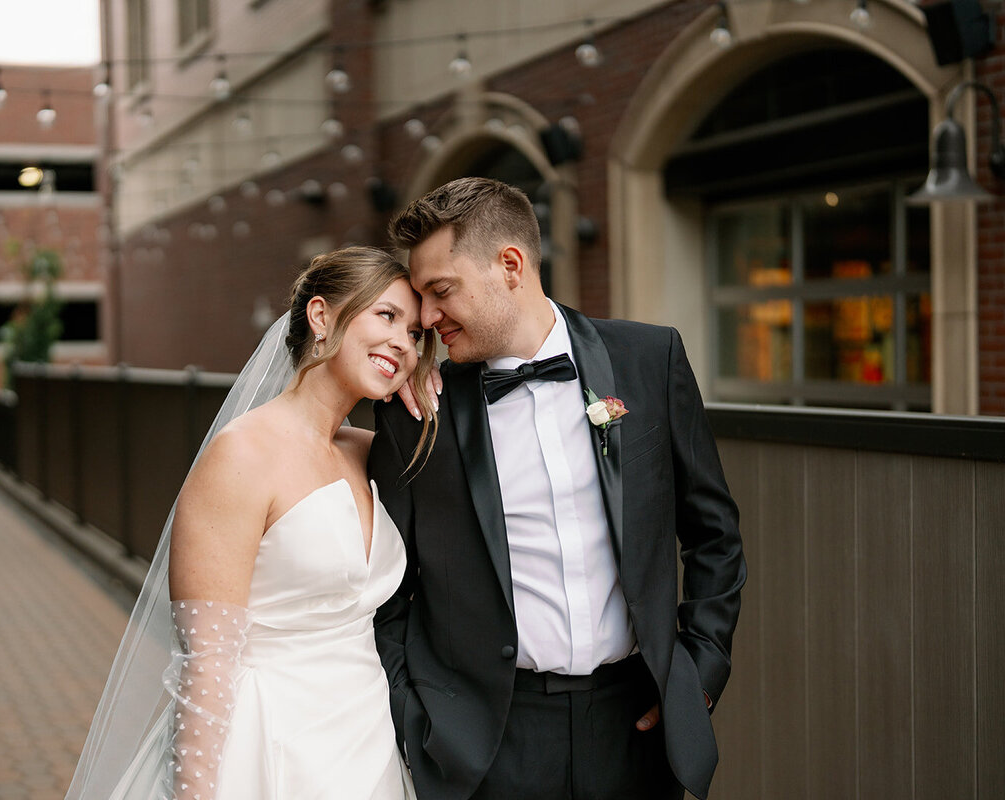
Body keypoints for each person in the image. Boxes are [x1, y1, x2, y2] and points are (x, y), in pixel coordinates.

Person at [370, 177, 746, 800]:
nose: (427, 319)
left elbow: (713, 532)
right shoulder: (417, 405)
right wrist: (418, 716)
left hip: (637, 725)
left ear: (510, 265)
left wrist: (699, 671)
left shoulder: (651, 358)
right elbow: (386, 581)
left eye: (441, 292)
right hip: (487, 740)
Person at [65, 246, 438, 800]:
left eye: (414, 333)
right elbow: (206, 664)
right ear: (321, 316)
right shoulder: (242, 456)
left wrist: (428, 382)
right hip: (265, 744)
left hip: (364, 742)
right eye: (386, 316)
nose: (403, 343)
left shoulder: (371, 454)